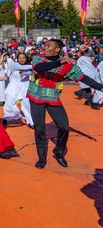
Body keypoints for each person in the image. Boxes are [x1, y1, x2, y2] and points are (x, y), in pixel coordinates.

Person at [27, 39, 103, 169]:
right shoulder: (39, 58)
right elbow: (39, 68)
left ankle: (58, 151)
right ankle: (41, 158)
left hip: (53, 98)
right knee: (40, 129)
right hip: (36, 98)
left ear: (57, 50)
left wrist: (99, 87)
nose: (45, 47)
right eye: (45, 45)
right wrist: (59, 62)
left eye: (48, 46)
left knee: (64, 127)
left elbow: (82, 77)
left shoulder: (68, 65)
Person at [3, 52, 33, 128]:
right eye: (20, 58)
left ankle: (31, 122)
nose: (21, 59)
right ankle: (6, 118)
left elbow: (30, 72)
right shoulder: (15, 65)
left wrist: (25, 73)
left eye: (23, 58)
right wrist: (36, 66)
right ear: (17, 59)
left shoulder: (29, 68)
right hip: (13, 87)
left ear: (26, 58)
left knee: (26, 105)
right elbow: (25, 68)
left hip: (24, 88)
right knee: (9, 104)